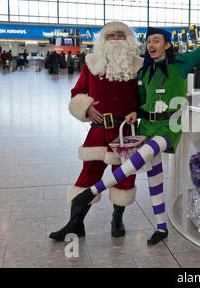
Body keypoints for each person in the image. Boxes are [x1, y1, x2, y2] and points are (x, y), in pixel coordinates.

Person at [71, 8, 200, 246]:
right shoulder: (145, 71)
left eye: (156, 41)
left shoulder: (182, 63)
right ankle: (161, 227)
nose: (150, 45)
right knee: (154, 178)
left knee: (139, 158)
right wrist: (133, 114)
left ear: (167, 45)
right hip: (147, 126)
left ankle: (93, 190)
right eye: (148, 41)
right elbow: (140, 103)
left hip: (169, 126)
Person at [49, 22, 144, 241]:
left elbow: (147, 96)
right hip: (98, 131)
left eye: (121, 35)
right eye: (112, 36)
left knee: (125, 177)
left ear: (128, 39)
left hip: (125, 131)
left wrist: (137, 111)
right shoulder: (91, 64)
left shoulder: (139, 65)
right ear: (104, 40)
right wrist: (86, 106)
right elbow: (77, 91)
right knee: (88, 174)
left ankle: (117, 219)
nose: (117, 39)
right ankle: (75, 224)